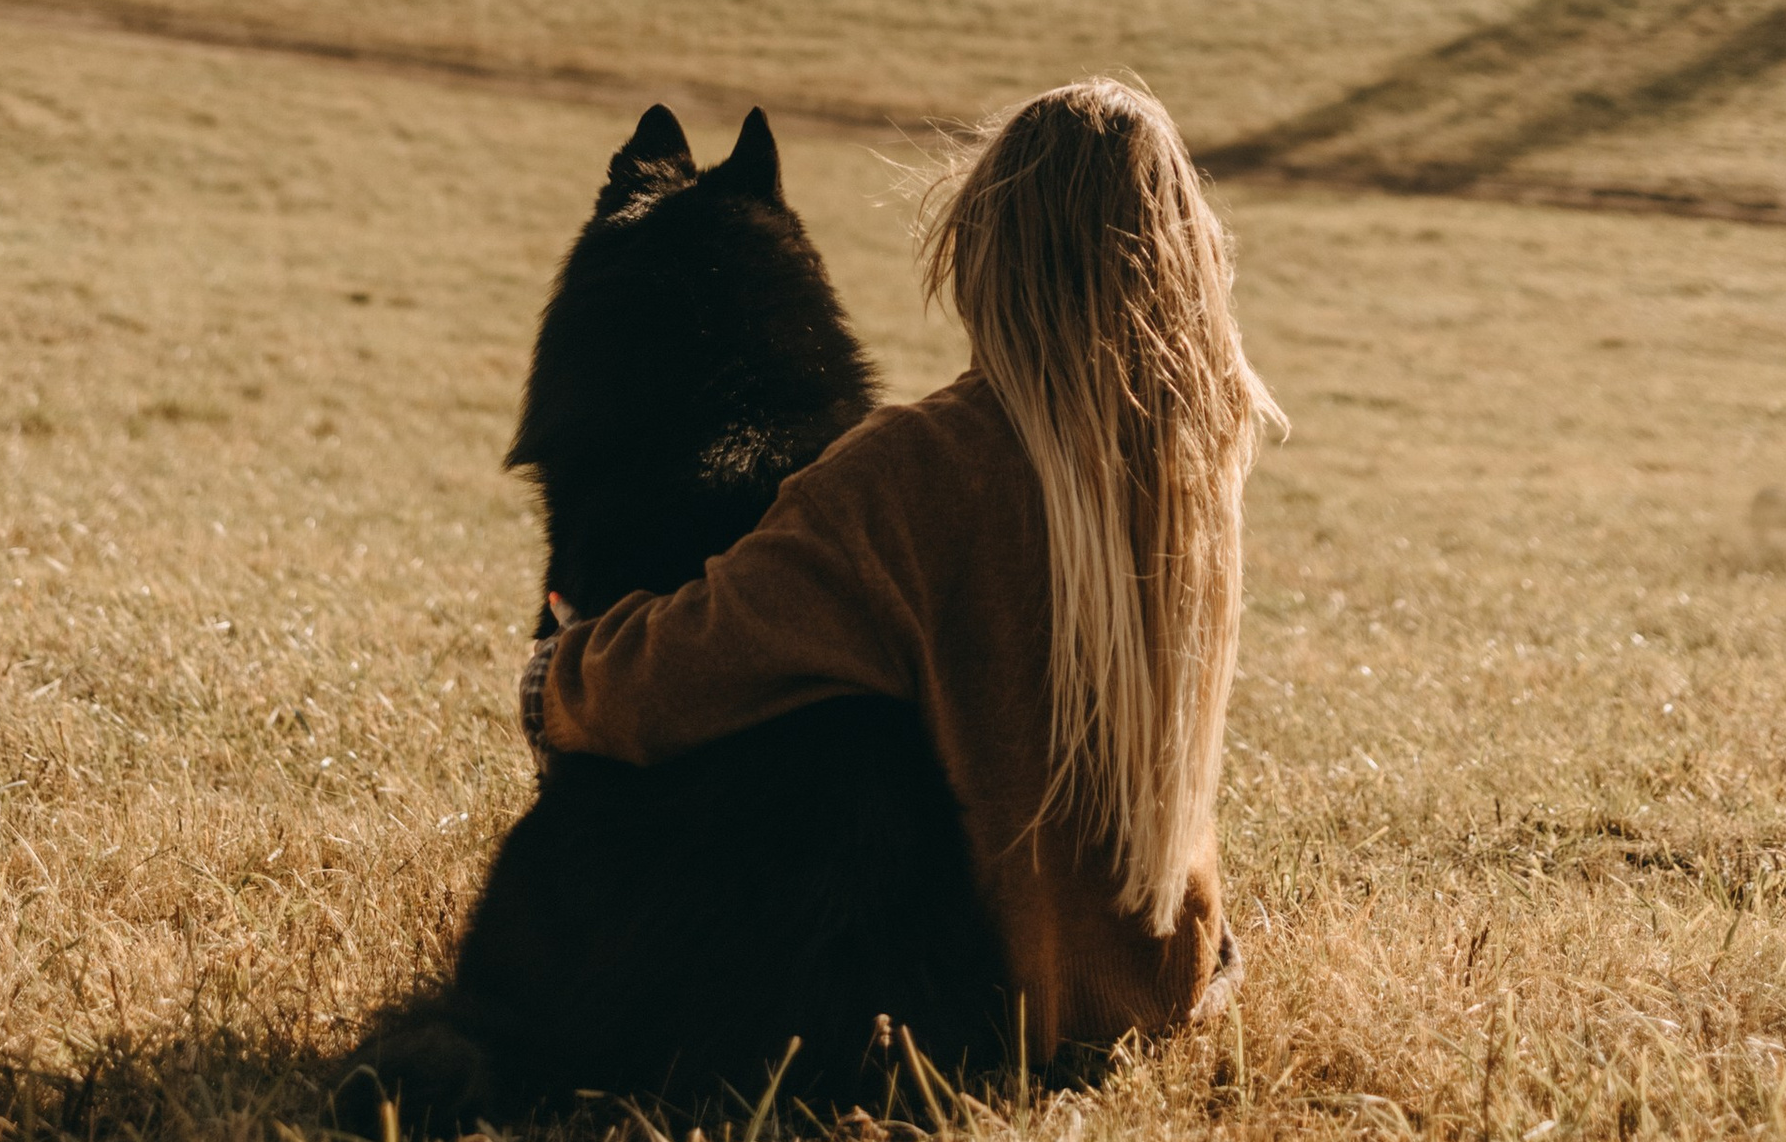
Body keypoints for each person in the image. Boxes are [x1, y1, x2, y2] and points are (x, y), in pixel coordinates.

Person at [520, 75, 1283, 1066]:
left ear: (983, 251)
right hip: (1165, 981)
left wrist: (559, 676)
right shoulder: (1193, 459)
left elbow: (679, 672)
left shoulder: (916, 469)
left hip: (993, 999)